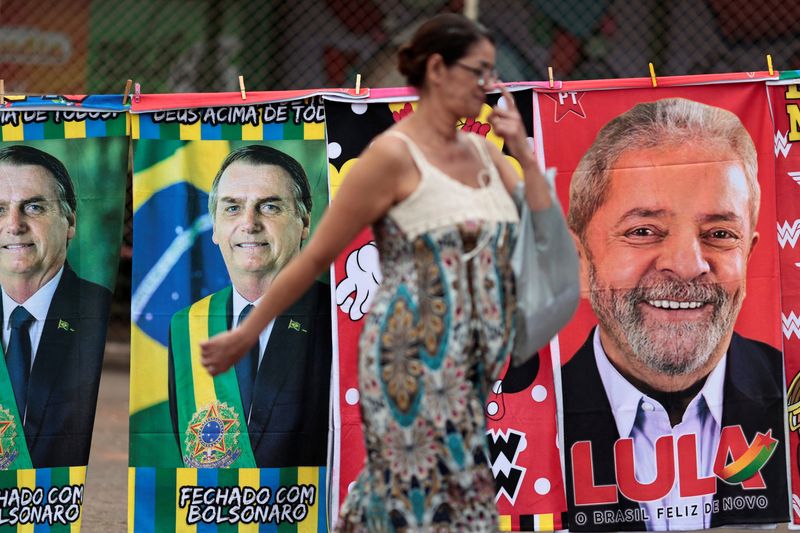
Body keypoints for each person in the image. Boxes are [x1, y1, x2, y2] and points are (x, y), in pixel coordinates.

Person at [201, 13, 560, 531]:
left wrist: (523, 151)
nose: (490, 85)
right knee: (423, 481)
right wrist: (248, 331)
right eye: (477, 71)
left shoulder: (485, 152)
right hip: (405, 351)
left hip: (469, 349)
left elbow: (543, 223)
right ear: (437, 71)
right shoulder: (389, 158)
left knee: (444, 487)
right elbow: (315, 257)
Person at [562, 98, 788, 530]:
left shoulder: (790, 393)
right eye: (643, 231)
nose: (687, 265)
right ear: (580, 259)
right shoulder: (513, 420)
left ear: (750, 256)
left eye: (720, 234)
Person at [167, 145, 331, 468]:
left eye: (269, 207)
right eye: (232, 208)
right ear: (214, 227)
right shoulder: (186, 326)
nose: (249, 223)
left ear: (304, 222)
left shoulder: (336, 319)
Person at [0, 144, 111, 468]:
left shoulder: (98, 314)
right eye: (0, 209)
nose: (14, 225)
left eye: (33, 207)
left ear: (70, 222)